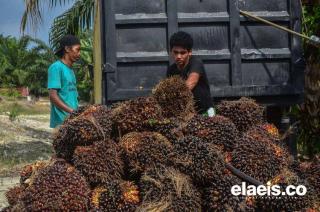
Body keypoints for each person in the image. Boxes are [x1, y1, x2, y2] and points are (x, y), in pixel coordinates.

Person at [167, 31, 215, 116]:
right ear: (171, 51)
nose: (178, 56)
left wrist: (172, 96)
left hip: (206, 112)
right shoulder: (171, 70)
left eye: (182, 53)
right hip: (187, 114)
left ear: (189, 52)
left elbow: (191, 83)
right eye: (175, 52)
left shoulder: (196, 63)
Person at [47, 34, 81, 128]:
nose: (79, 53)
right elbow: (53, 96)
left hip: (73, 120)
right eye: (77, 49)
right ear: (67, 49)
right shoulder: (56, 67)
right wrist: (72, 112)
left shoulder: (71, 70)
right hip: (61, 122)